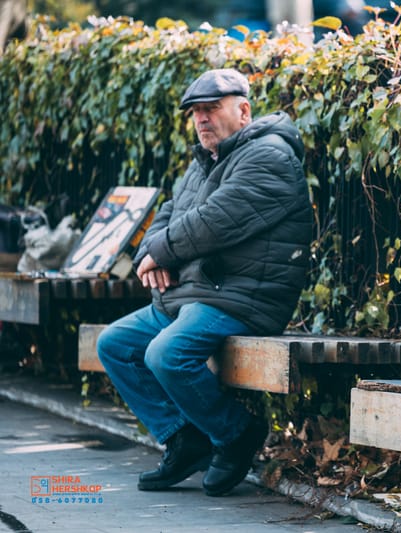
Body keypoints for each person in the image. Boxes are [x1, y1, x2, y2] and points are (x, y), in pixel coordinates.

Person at [96, 68, 312, 497]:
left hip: (242, 297)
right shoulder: (206, 162)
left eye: (211, 109)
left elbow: (215, 221)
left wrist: (162, 252)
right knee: (114, 345)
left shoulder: (269, 155)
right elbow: (170, 214)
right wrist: (147, 256)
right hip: (194, 296)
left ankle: (236, 434)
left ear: (243, 110)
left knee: (165, 354)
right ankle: (183, 438)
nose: (201, 120)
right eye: (196, 112)